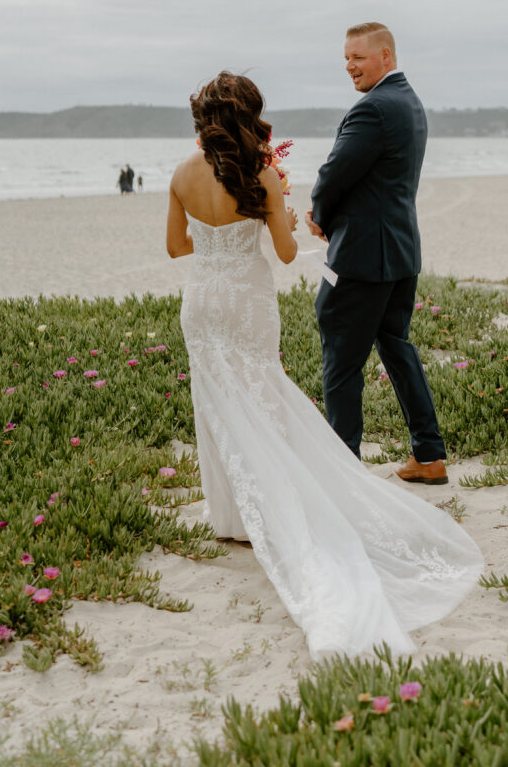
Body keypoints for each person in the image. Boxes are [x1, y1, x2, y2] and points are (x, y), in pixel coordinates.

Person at [167, 70, 481, 660]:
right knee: (262, 392)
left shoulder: (182, 173)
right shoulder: (259, 173)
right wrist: (275, 204)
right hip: (247, 302)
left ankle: (229, 516)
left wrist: (214, 246)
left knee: (216, 401)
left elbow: (176, 247)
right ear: (246, 113)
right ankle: (272, 503)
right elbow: (286, 254)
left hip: (201, 303)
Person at [306, 22, 448, 485]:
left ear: (385, 56)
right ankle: (428, 455)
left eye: (358, 57)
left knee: (341, 357)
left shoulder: (373, 109)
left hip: (365, 257)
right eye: (346, 58)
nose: (349, 66)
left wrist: (321, 218)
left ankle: (344, 471)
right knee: (395, 346)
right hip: (401, 250)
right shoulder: (410, 103)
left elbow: (334, 173)